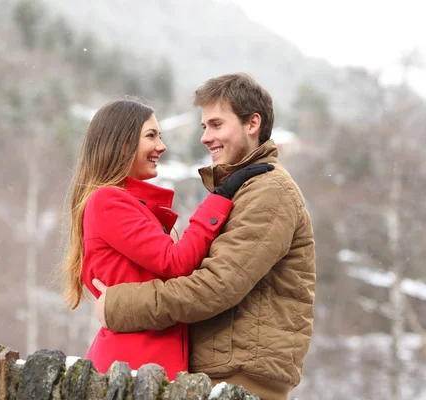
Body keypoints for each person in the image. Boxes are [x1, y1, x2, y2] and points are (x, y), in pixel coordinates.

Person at [92, 74, 316, 400]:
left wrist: (120, 306)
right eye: (203, 127)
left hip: (241, 379)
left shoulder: (268, 190)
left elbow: (214, 288)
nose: (205, 137)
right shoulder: (243, 189)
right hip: (221, 374)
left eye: (216, 125)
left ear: (252, 123)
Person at [60, 99, 273, 381]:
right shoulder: (107, 201)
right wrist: (220, 198)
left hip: (149, 361)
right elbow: (176, 262)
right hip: (135, 362)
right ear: (122, 144)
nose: (161, 146)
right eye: (151, 136)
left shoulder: (124, 204)